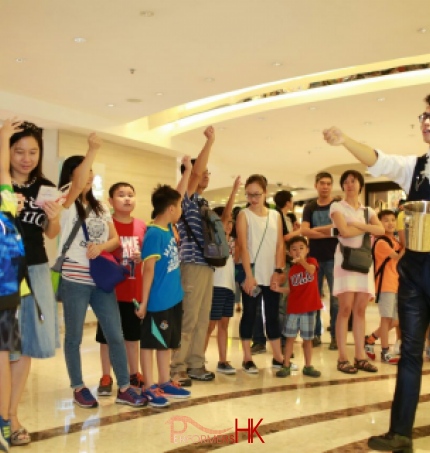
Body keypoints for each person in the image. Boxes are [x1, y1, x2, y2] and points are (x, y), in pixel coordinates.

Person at [323, 96, 430, 451]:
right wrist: (346, 140)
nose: (426, 121)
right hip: (414, 271)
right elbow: (380, 159)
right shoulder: (416, 165)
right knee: (410, 352)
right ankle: (401, 433)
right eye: (424, 115)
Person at [57, 137, 146, 409]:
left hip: (101, 279)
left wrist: (100, 247)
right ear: (73, 175)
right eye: (85, 172)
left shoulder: (99, 206)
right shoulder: (64, 199)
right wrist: (92, 150)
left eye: (92, 174)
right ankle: (78, 386)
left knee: (115, 334)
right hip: (74, 278)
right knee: (73, 336)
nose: (90, 178)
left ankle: (125, 387)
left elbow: (115, 239)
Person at [8, 121, 63, 445]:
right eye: (18, 151)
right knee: (4, 347)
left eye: (33, 152)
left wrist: (54, 216)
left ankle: (12, 415)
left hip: (37, 268)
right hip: (4, 270)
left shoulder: (44, 186)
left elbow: (50, 234)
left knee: (26, 343)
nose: (26, 158)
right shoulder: (1, 183)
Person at [136, 157, 192, 407]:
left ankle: (164, 380)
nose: (180, 209)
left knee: (167, 343)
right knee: (150, 343)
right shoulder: (154, 234)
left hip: (173, 298)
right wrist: (144, 303)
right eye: (178, 207)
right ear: (170, 209)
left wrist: (188, 171)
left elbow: (177, 196)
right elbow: (148, 270)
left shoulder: (168, 226)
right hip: (156, 301)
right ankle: (149, 387)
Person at [170, 126, 216, 386]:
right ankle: (177, 366)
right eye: (204, 172)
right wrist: (210, 142)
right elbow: (196, 172)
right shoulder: (185, 197)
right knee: (189, 317)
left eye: (208, 173)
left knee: (202, 317)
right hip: (191, 264)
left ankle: (195, 363)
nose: (206, 175)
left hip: (207, 265)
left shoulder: (202, 201)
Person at [329, 170, 384, 375]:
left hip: (363, 262)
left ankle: (360, 356)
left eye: (354, 181)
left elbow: (380, 231)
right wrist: (367, 228)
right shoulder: (337, 206)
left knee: (360, 309)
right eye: (346, 181)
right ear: (342, 186)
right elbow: (344, 232)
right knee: (345, 309)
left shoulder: (368, 210)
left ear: (360, 185)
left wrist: (357, 224)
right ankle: (342, 357)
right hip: (344, 261)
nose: (350, 184)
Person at [95, 182, 146, 396]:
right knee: (107, 337)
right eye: (121, 195)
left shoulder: (142, 225)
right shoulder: (106, 224)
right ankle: (106, 375)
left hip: (133, 290)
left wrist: (140, 257)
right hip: (109, 291)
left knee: (132, 337)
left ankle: (134, 373)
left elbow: (149, 255)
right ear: (110, 201)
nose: (127, 199)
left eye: (131, 195)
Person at [236, 174, 285, 373]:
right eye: (249, 195)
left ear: (266, 193)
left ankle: (278, 356)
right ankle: (247, 357)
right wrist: (248, 275)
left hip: (270, 272)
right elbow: (243, 246)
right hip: (253, 272)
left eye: (257, 194)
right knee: (249, 313)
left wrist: (278, 271)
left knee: (273, 314)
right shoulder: (243, 215)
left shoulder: (276, 216)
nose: (253, 199)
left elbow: (280, 244)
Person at [0, 119, 24, 452]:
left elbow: (3, 173)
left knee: (3, 355)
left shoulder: (6, 198)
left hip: (5, 289)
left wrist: (5, 135)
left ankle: (4, 421)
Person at [204, 177, 241, 374]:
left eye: (230, 223)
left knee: (224, 324)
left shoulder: (232, 242)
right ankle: (198, 360)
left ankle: (223, 360)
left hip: (229, 286)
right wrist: (234, 191)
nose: (229, 225)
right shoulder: (215, 240)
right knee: (210, 325)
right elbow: (226, 215)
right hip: (216, 286)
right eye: (225, 223)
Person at [273, 236, 322, 378]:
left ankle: (308, 366)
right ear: (289, 253)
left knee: (308, 339)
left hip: (309, 308)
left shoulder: (311, 261)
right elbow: (291, 290)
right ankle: (286, 365)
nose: (298, 251)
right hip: (294, 309)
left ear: (307, 250)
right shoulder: (292, 270)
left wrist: (302, 262)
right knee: (289, 338)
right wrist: (279, 290)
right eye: (294, 249)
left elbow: (311, 271)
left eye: (301, 248)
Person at [301, 172, 339, 351]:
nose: (325, 186)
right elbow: (304, 231)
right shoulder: (310, 207)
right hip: (313, 259)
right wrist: (328, 231)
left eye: (328, 183)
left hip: (334, 257)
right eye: (322, 183)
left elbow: (338, 229)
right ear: (316, 185)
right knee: (313, 299)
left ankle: (335, 337)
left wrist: (314, 231)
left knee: (335, 300)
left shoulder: (336, 206)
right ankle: (315, 334)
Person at [364, 210, 403, 365]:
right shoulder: (381, 242)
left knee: (396, 321)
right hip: (385, 284)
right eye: (386, 220)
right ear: (379, 223)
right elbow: (398, 256)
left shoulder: (394, 240)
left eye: (393, 220)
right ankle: (385, 352)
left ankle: (370, 339)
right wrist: (408, 242)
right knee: (386, 319)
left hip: (396, 285)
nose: (391, 223)